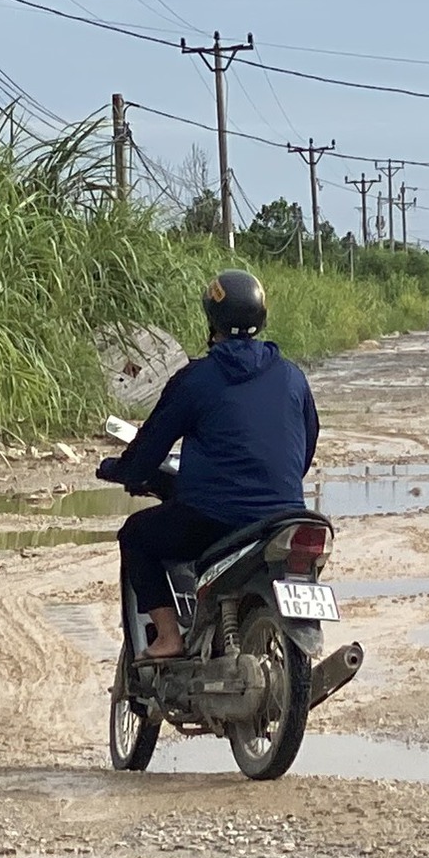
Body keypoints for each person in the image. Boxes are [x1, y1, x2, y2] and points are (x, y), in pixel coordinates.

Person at [100, 270, 320, 661]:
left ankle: (168, 636)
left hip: (215, 520)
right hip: (283, 517)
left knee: (136, 535)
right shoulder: (293, 377)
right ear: (261, 318)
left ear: (211, 319)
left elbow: (150, 448)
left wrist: (123, 471)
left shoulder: (196, 380)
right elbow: (305, 448)